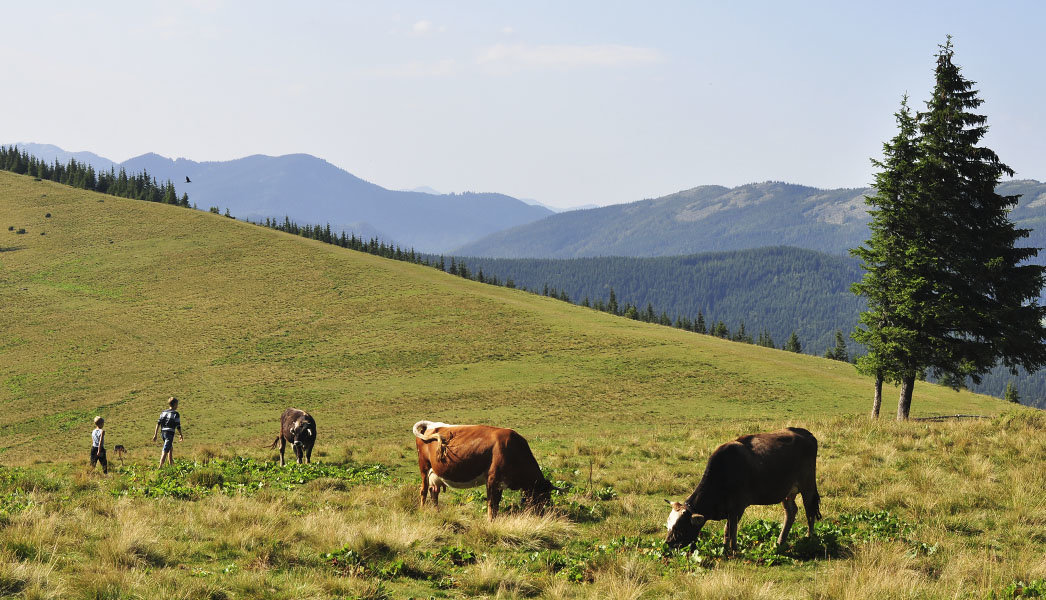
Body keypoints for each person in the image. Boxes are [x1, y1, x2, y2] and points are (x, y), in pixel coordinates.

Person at [152, 396, 183, 467]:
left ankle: (170, 463)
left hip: (163, 433)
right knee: (165, 449)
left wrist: (155, 434)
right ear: (175, 404)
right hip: (169, 433)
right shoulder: (176, 414)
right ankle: (160, 466)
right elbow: (178, 425)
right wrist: (181, 434)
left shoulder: (163, 412)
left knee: (170, 447)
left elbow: (158, 423)